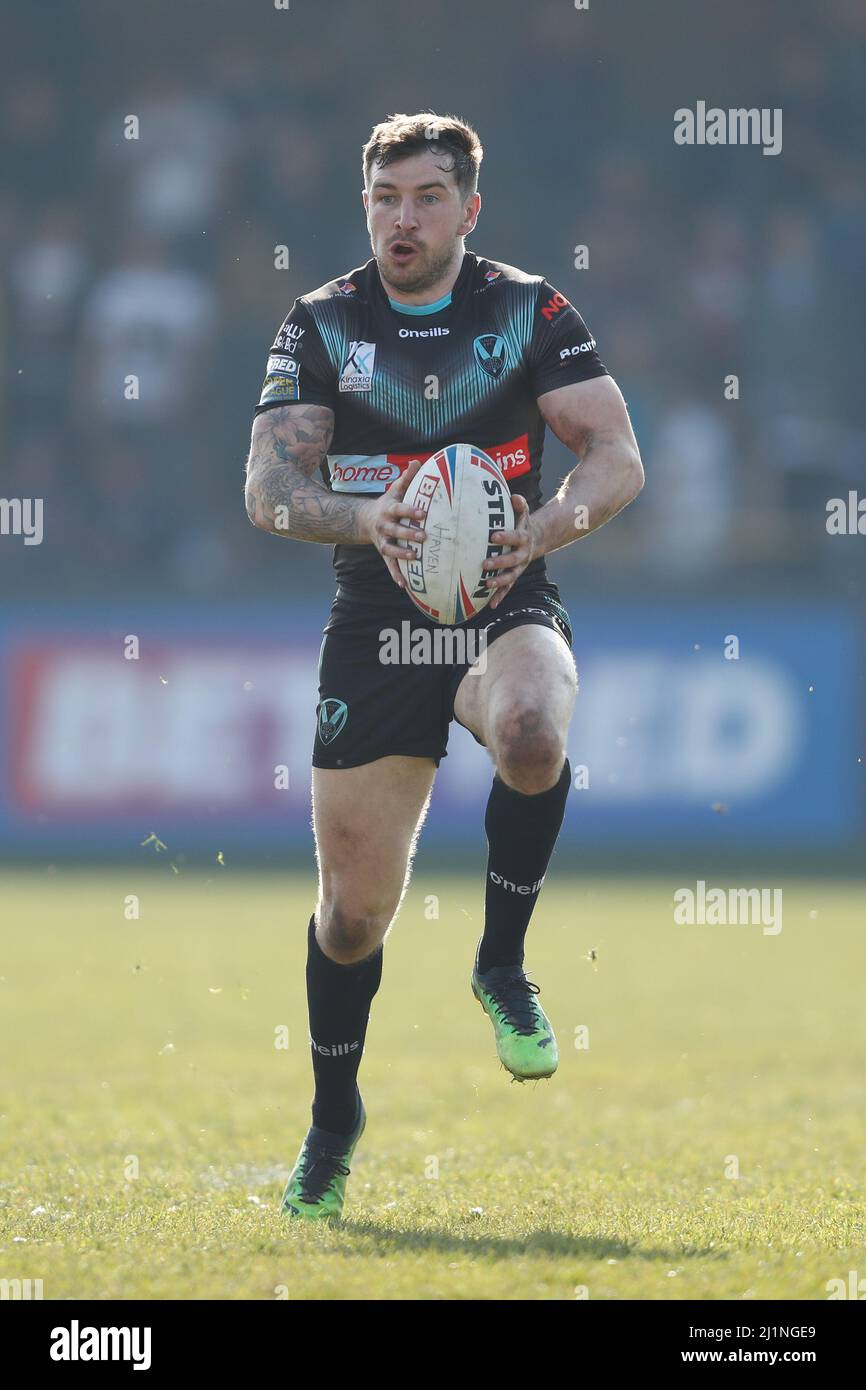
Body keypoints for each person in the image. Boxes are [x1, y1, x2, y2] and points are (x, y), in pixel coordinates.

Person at [245, 112, 644, 1221]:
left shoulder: (528, 310)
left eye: (425, 197)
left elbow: (613, 452)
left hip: (502, 594)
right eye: (384, 198)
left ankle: (500, 963)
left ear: (470, 209)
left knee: (531, 731)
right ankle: (333, 1121)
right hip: (374, 618)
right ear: (362, 203)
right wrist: (368, 517)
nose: (402, 219)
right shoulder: (321, 321)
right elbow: (270, 490)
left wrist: (547, 528)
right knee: (350, 919)